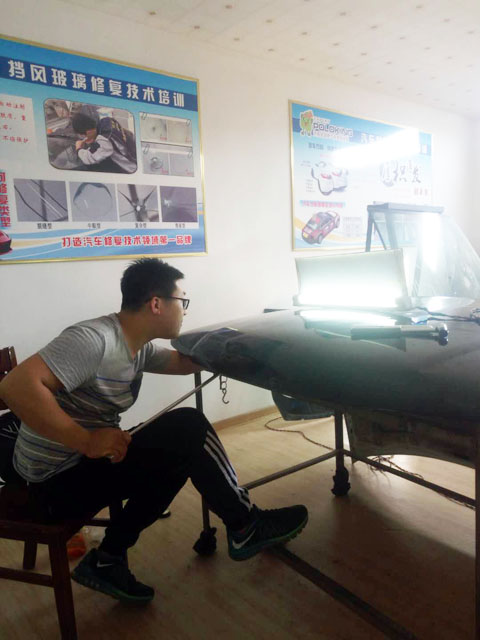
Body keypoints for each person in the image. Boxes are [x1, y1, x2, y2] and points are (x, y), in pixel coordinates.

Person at [0, 258, 308, 603]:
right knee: (188, 427)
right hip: (50, 484)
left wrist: (233, 351)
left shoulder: (136, 345)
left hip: (77, 467)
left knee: (177, 454)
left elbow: (180, 362)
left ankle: (108, 559)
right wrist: (86, 440)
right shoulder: (94, 339)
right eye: (182, 301)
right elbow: (14, 387)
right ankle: (245, 525)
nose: (185, 310)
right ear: (156, 304)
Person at [72, 112, 137, 174]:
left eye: (83, 135)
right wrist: (94, 138)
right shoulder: (107, 120)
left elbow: (90, 158)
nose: (84, 137)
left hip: (131, 167)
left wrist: (78, 149)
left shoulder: (104, 140)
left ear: (88, 132)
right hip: (133, 149)